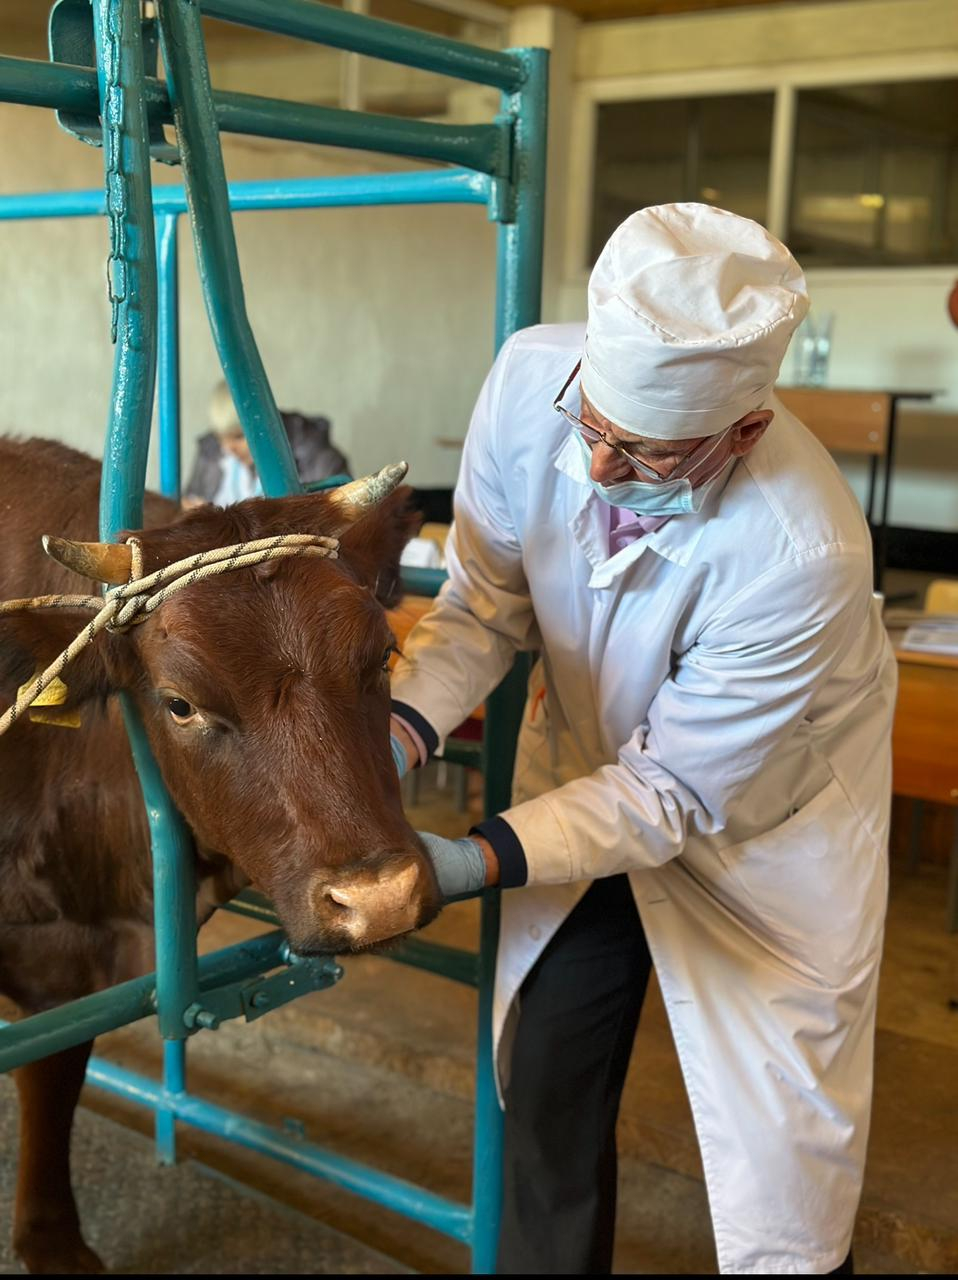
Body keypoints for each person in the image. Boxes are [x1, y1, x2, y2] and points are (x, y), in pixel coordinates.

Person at [389, 204, 896, 1275]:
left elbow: (669, 793)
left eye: (648, 452)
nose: (603, 466)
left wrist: (464, 860)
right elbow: (482, 605)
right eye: (596, 426)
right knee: (550, 1089)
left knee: (785, 1182)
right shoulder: (534, 382)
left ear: (744, 431)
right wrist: (394, 735)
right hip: (583, 783)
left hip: (764, 832)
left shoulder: (799, 546)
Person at [182, 380, 349, 506]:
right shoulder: (211, 454)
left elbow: (343, 517)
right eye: (220, 438)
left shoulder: (318, 460)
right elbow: (188, 502)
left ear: (264, 426)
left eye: (238, 437)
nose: (227, 448)